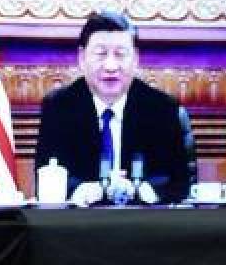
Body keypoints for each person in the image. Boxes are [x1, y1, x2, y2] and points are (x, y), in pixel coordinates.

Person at [34, 11, 194, 205]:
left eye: (120, 54)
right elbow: (46, 177)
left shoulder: (161, 108)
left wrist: (143, 190)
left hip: (144, 219)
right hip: (81, 219)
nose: (110, 66)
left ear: (135, 59)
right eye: (101, 54)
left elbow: (180, 182)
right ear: (82, 58)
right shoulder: (59, 107)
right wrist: (79, 189)